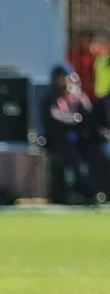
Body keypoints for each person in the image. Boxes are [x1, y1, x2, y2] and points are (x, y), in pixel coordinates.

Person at [40, 64, 105, 204]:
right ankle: (88, 191)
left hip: (79, 140)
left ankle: (99, 189)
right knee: (74, 157)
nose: (63, 82)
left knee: (95, 152)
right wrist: (74, 120)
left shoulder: (77, 96)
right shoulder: (50, 98)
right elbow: (54, 118)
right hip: (58, 140)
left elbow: (89, 117)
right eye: (60, 78)